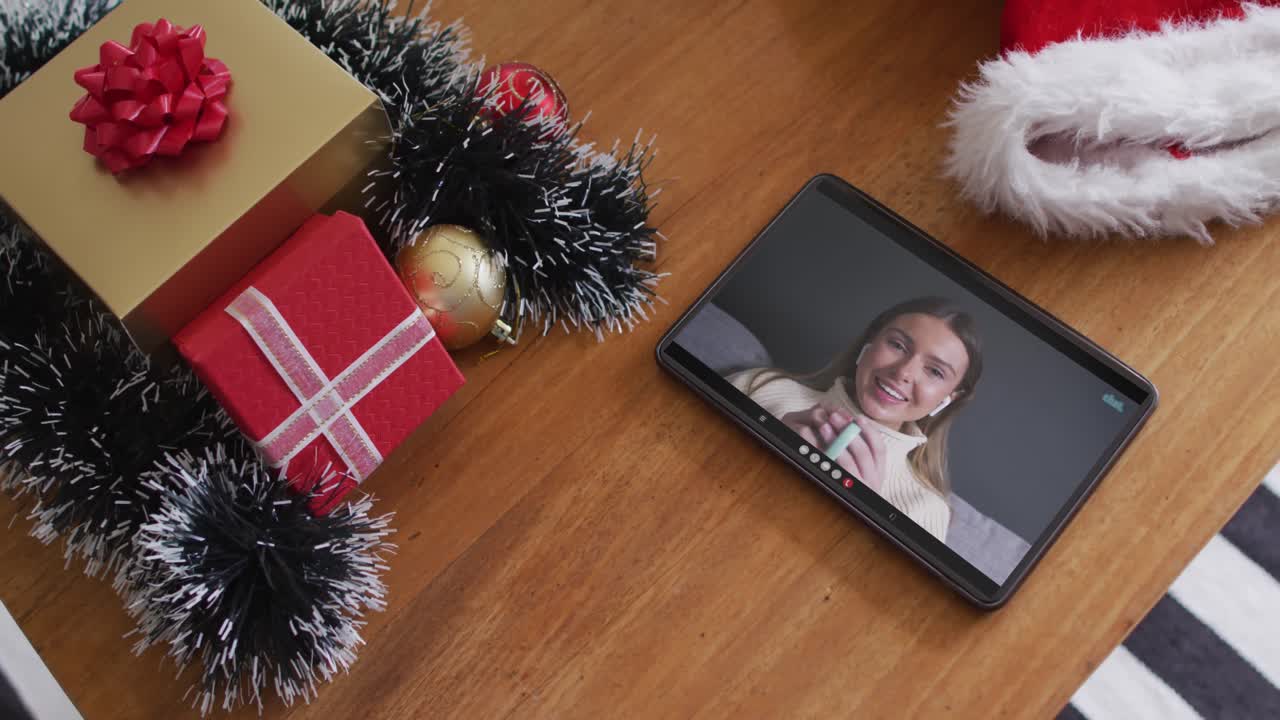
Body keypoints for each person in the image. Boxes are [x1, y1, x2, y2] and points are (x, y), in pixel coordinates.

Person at [728, 297, 983, 542]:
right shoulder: (760, 386)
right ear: (869, 343)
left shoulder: (927, 510)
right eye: (898, 345)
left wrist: (861, 513)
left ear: (948, 399)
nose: (903, 372)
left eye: (935, 371)